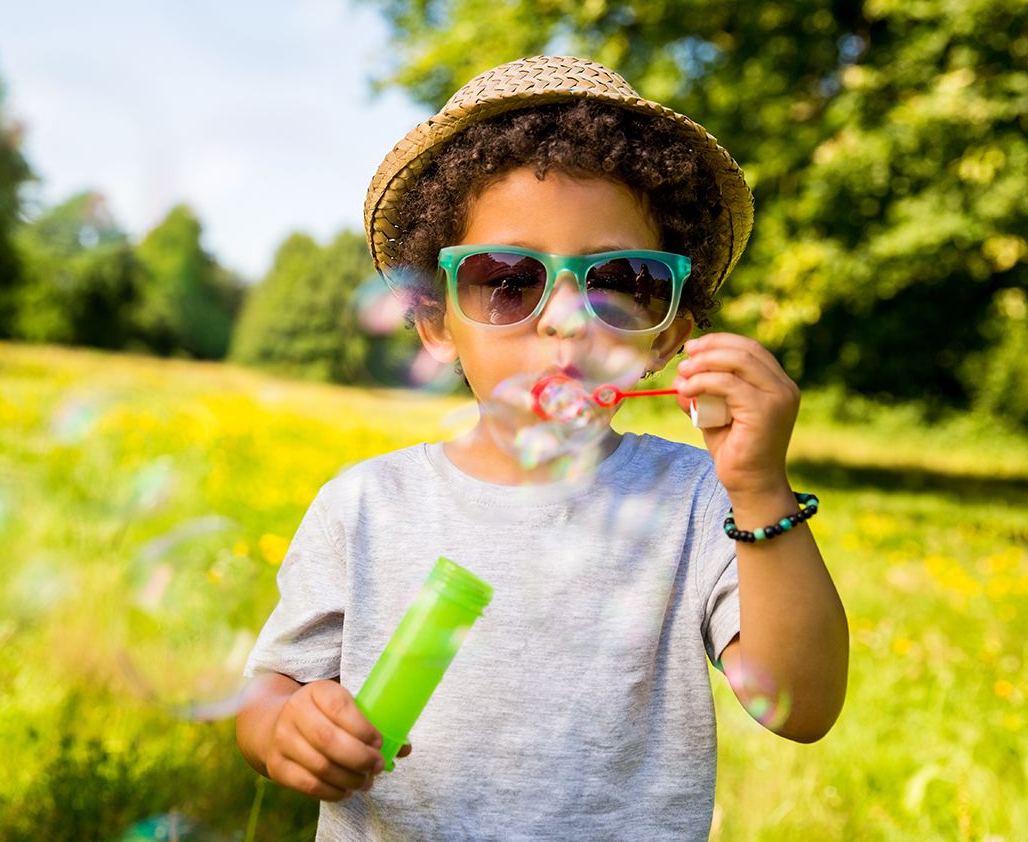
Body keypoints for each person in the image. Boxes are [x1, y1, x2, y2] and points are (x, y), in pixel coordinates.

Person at [236, 55, 848, 841]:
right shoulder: (367, 506)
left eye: (619, 281)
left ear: (669, 338)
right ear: (433, 322)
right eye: (509, 280)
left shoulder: (699, 500)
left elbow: (802, 707)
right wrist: (283, 728)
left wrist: (761, 488)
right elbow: (273, 689)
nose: (564, 320)